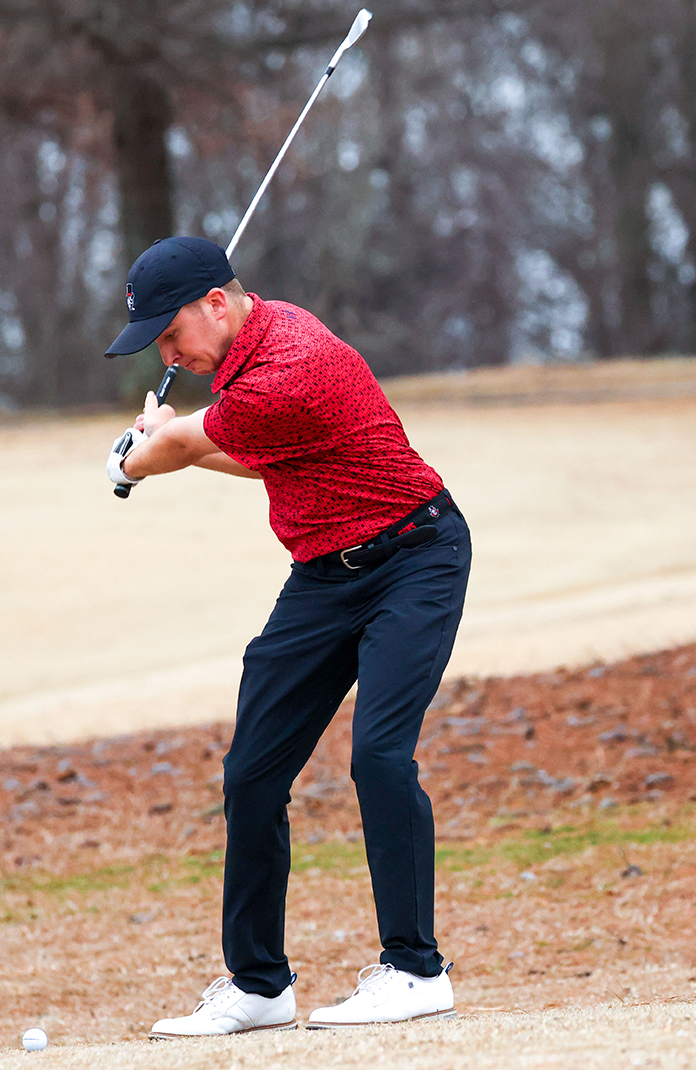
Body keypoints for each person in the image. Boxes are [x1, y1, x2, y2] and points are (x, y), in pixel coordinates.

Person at [103, 237, 470, 1038]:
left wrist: (134, 456)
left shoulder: (292, 361)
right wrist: (163, 442)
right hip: (324, 575)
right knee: (252, 774)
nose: (171, 353)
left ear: (217, 303)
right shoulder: (253, 347)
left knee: (377, 753)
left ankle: (416, 971)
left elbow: (192, 445)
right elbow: (251, 453)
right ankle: (260, 986)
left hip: (414, 556)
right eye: (160, 346)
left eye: (171, 337)